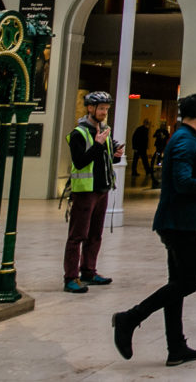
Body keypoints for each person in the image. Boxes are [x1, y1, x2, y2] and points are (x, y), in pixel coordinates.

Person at [112, 93, 196, 367]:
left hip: (179, 222)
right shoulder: (183, 140)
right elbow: (181, 182)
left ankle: (175, 346)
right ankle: (129, 318)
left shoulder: (184, 140)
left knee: (177, 284)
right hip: (179, 223)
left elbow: (186, 175)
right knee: (190, 281)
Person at [63, 91, 124, 293]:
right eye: (101, 109)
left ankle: (89, 271)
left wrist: (115, 155)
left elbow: (105, 160)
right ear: (90, 108)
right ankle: (71, 277)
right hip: (85, 191)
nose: (104, 112)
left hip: (101, 188)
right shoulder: (78, 134)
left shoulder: (104, 130)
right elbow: (80, 162)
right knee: (77, 235)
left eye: (106, 109)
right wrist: (98, 145)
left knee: (95, 234)